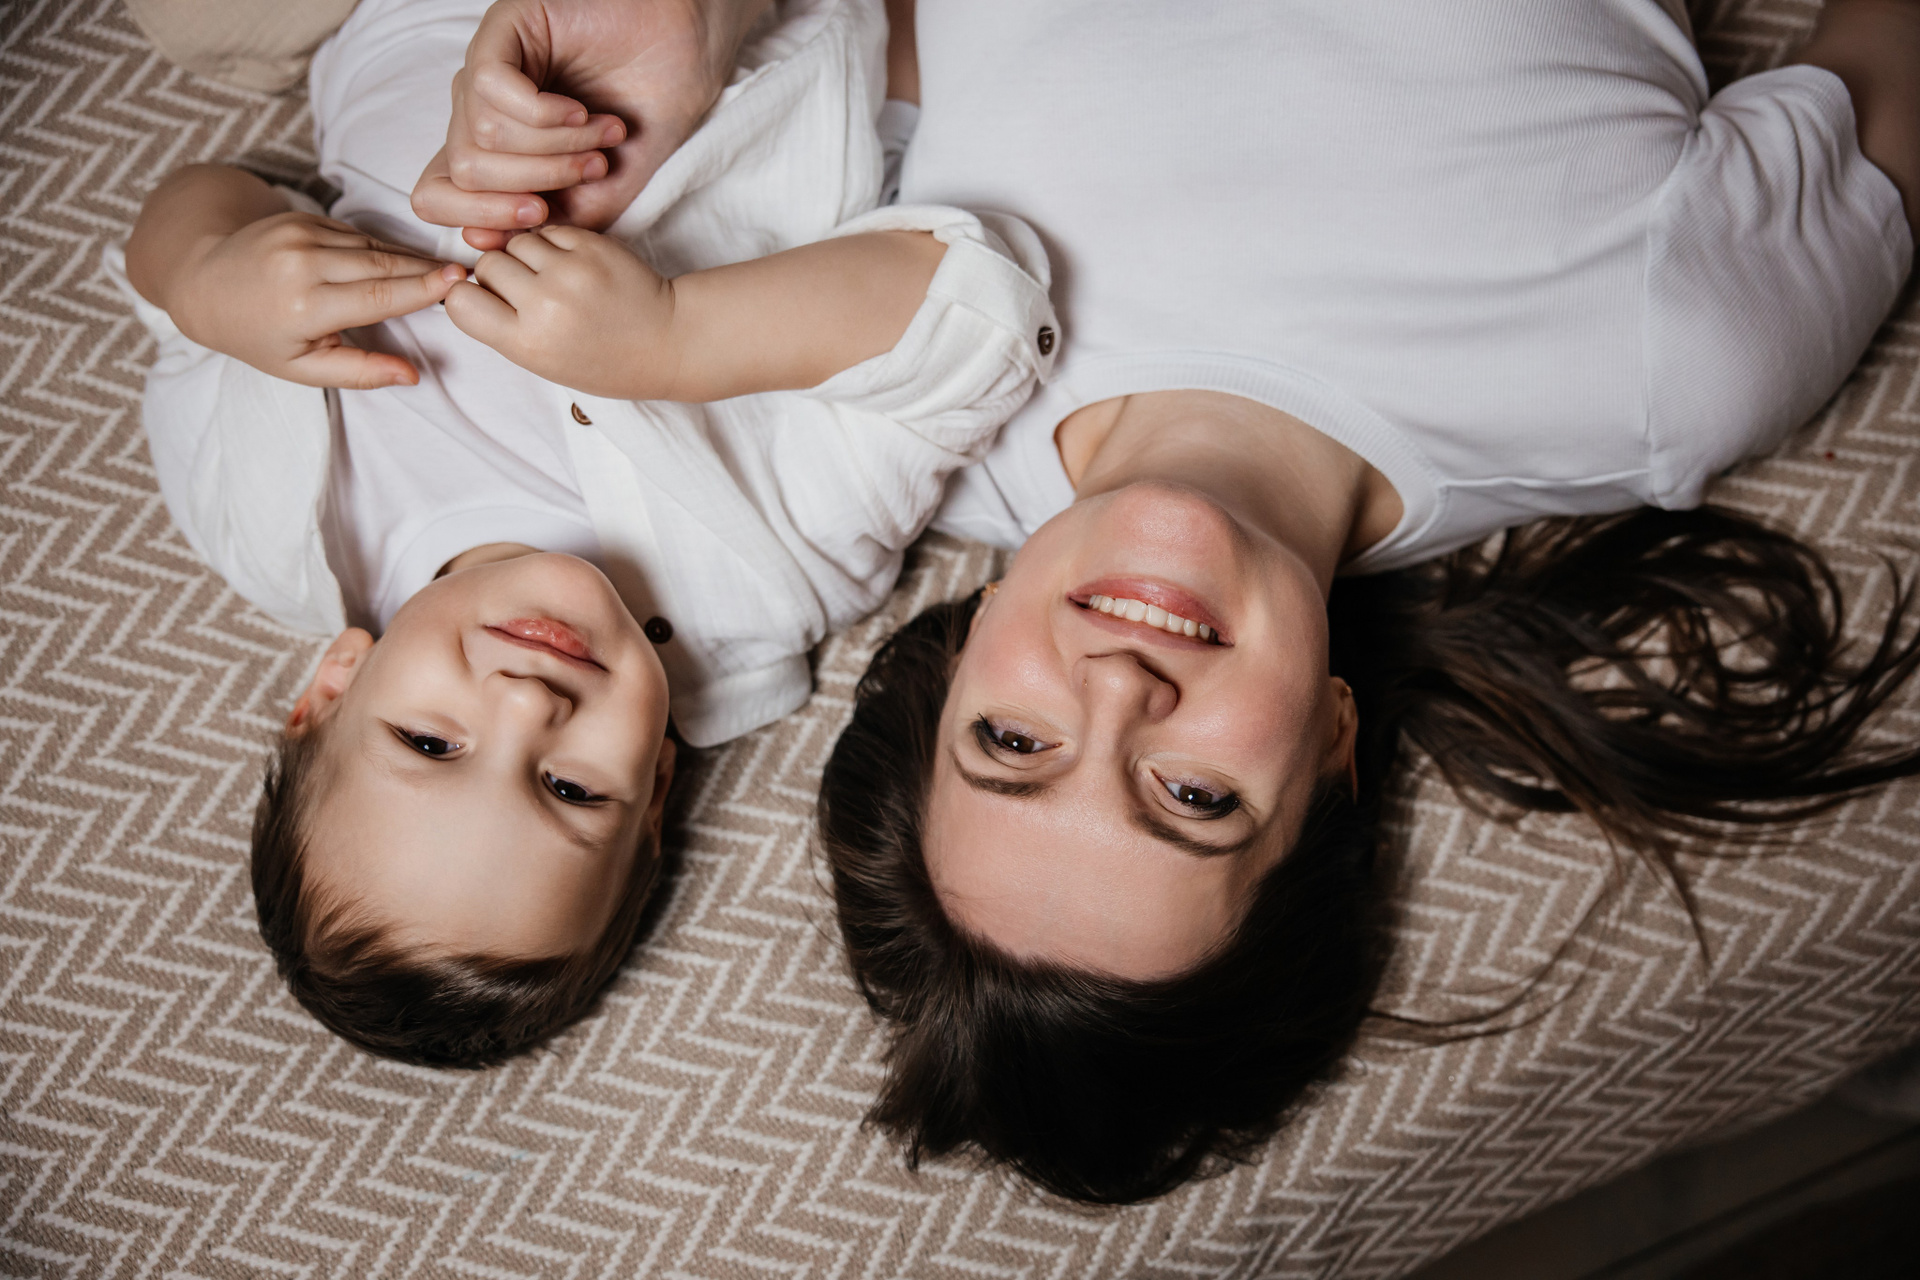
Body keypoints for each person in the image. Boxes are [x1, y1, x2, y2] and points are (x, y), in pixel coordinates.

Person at [424, 0, 1920, 1201]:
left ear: (954, 667)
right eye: (1194, 797)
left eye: (1013, 745)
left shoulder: (890, 375)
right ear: (1331, 753)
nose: (1121, 692)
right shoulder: (1663, 364)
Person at [110, 0, 1055, 1069]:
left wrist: (211, 272)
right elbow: (983, 313)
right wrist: (676, 336)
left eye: (430, 743)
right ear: (654, 789)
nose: (528, 705)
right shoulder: (765, 577)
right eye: (570, 788)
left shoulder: (262, 517)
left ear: (330, 690)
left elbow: (183, 223)